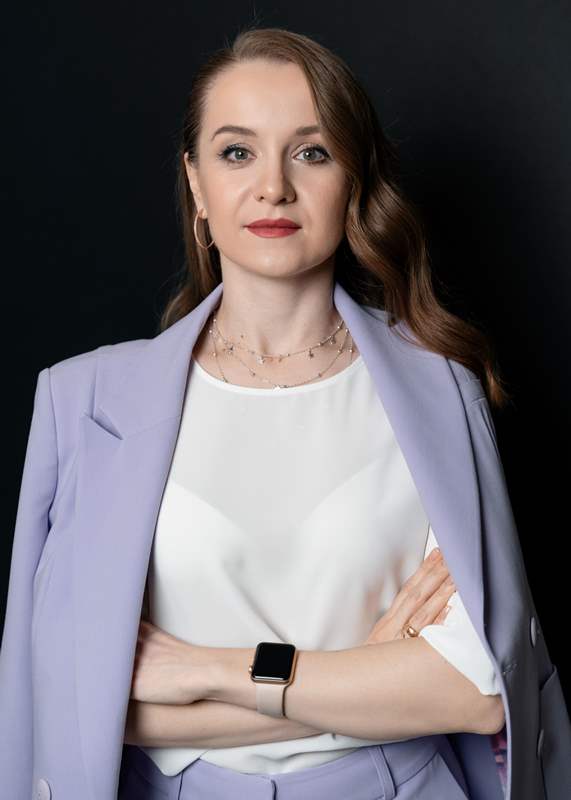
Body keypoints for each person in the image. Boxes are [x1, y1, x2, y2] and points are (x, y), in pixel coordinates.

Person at [1, 26, 569, 800]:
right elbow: (71, 704)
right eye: (237, 152)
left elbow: (473, 692)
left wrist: (203, 671)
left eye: (311, 152)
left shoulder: (439, 390)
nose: (272, 187)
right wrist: (361, 682)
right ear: (196, 183)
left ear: (353, 180)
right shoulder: (84, 401)